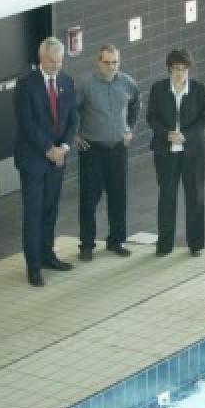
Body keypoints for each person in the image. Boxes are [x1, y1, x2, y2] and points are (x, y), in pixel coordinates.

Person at [14, 37, 78, 287]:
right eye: (52, 61)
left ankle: (48, 255)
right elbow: (26, 123)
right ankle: (33, 266)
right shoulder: (26, 85)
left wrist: (63, 147)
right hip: (33, 159)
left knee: (50, 209)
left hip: (57, 158)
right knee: (34, 212)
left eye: (60, 61)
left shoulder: (66, 82)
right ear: (41, 58)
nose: (56, 66)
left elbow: (73, 119)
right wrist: (47, 149)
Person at [75, 44, 142, 261]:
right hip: (92, 151)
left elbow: (135, 105)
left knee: (118, 198)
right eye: (107, 62)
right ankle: (86, 245)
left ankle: (116, 241)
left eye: (115, 62)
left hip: (117, 150)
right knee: (88, 199)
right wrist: (75, 135)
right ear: (98, 62)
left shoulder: (127, 82)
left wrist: (130, 129)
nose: (112, 66)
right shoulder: (85, 85)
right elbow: (70, 111)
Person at [146, 49, 205, 257]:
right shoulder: (158, 89)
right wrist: (167, 134)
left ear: (188, 69)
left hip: (193, 151)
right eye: (175, 69)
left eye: (183, 69)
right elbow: (151, 118)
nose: (180, 73)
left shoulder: (200, 90)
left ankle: (196, 245)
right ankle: (164, 245)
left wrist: (186, 135)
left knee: (195, 197)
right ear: (169, 69)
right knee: (167, 197)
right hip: (166, 151)